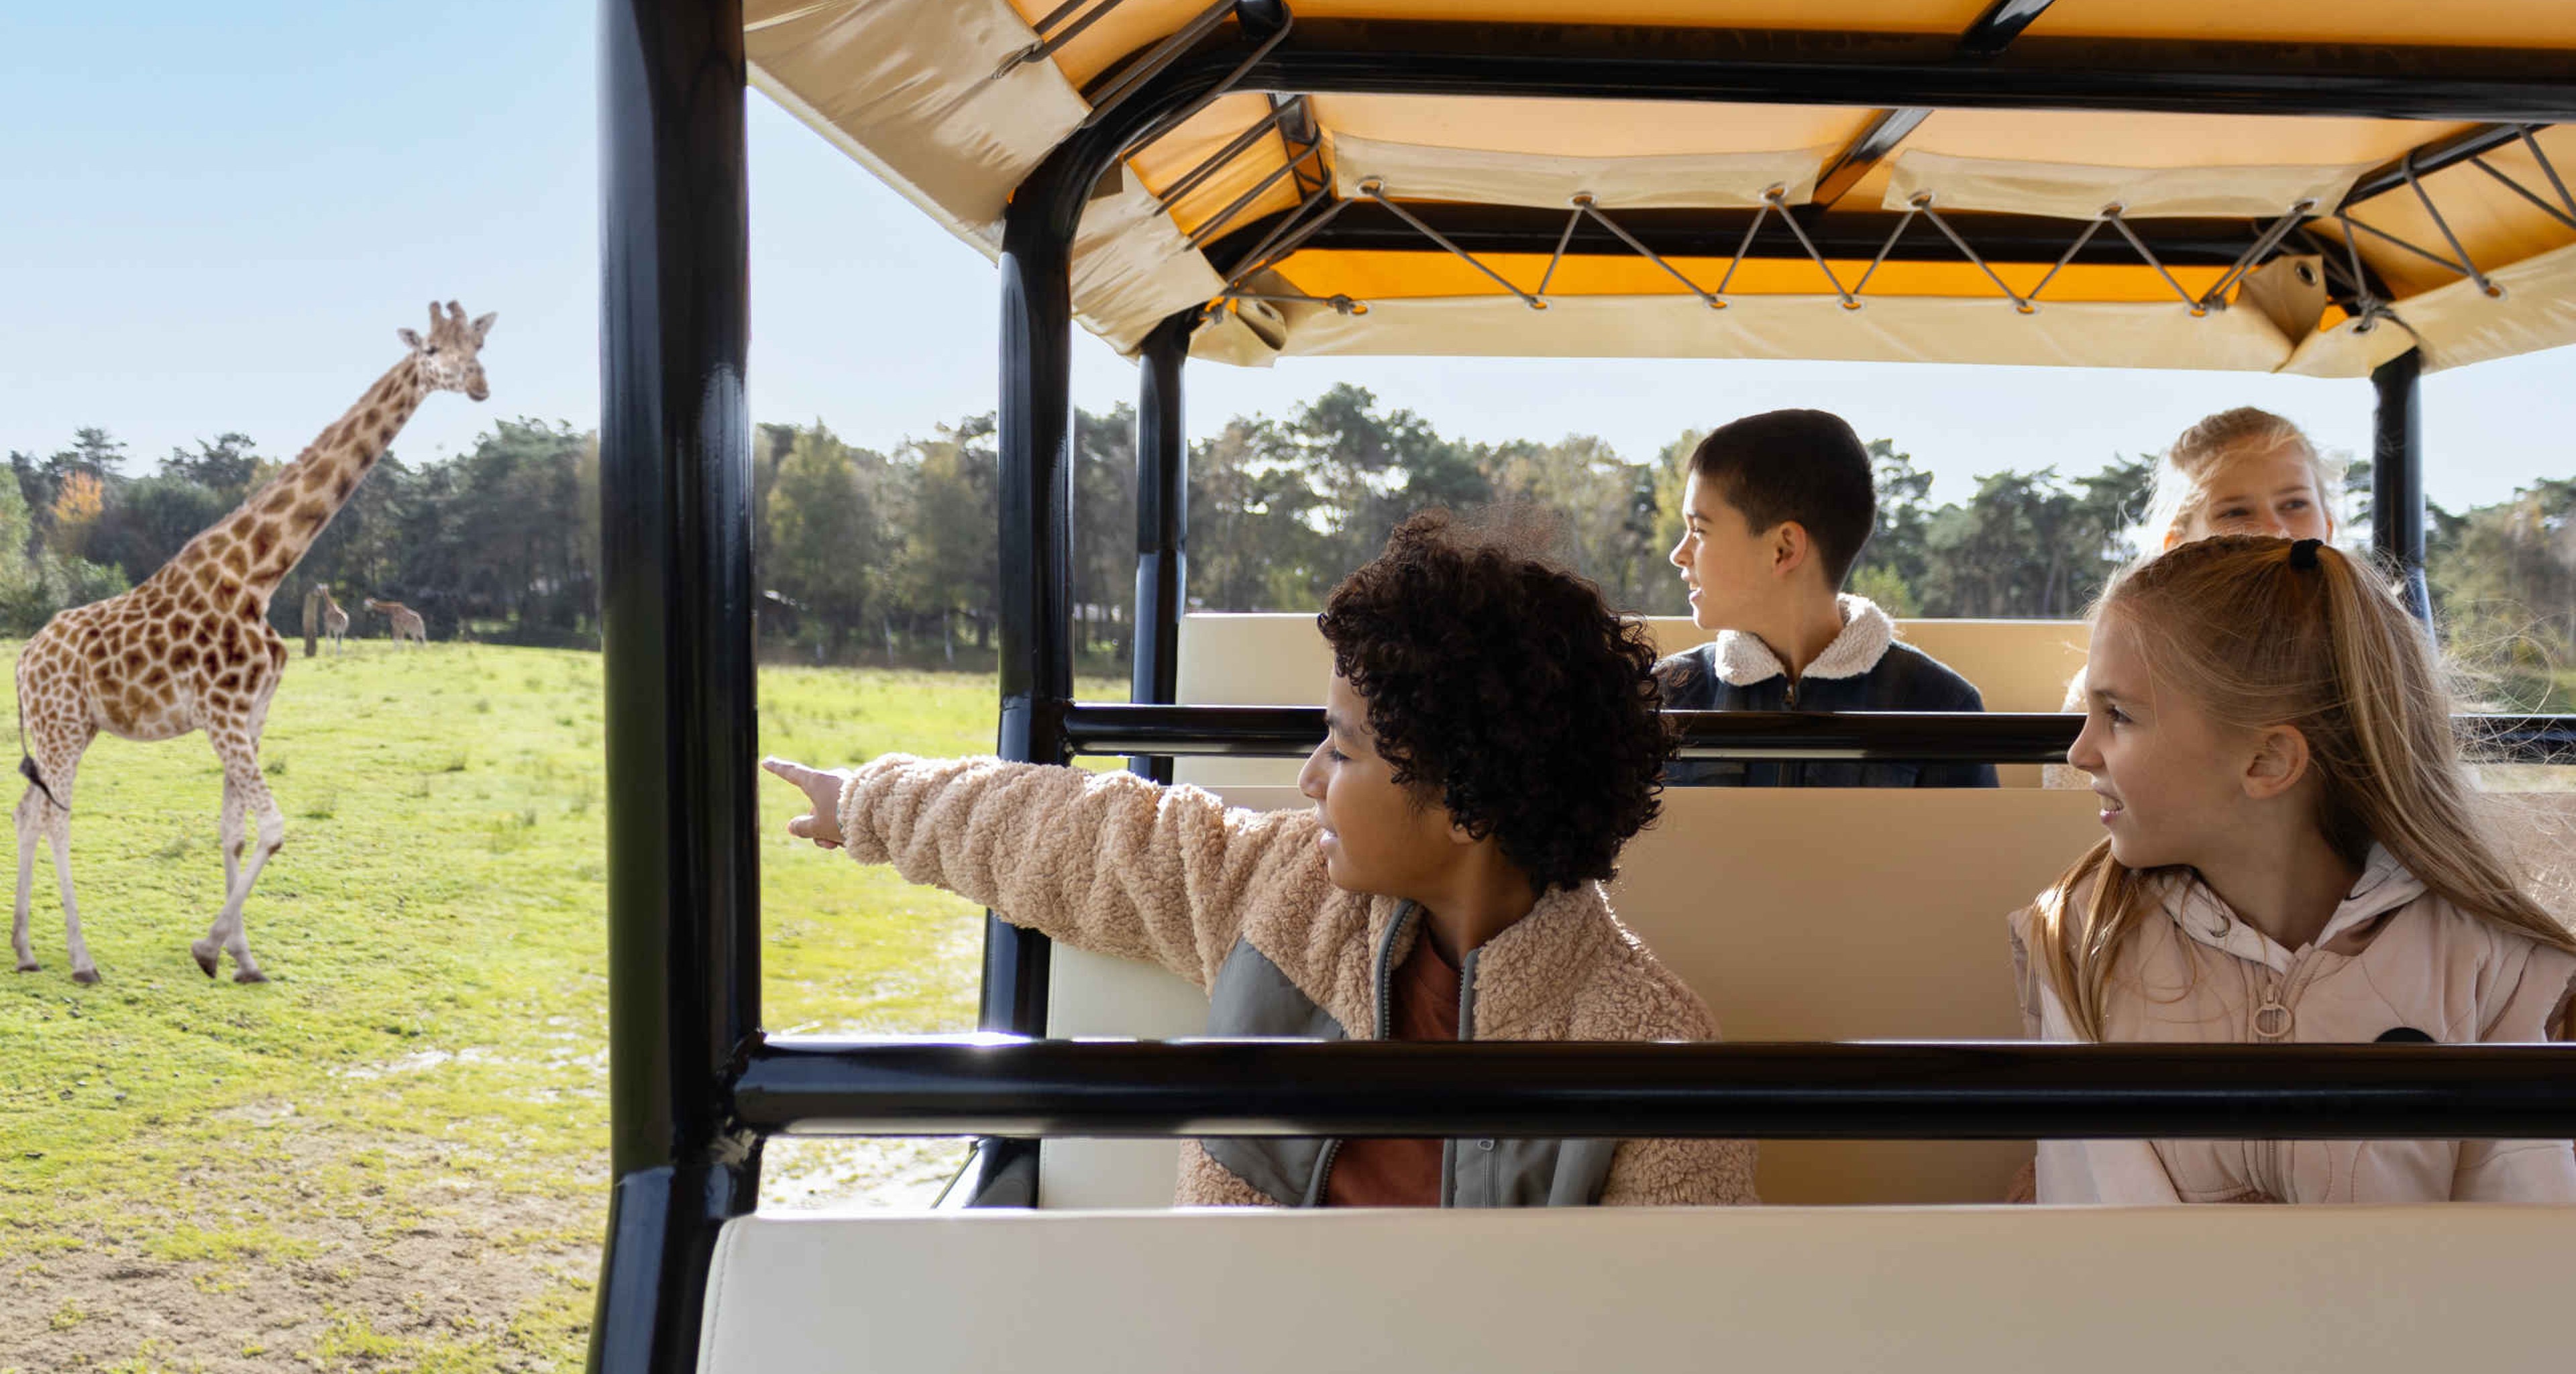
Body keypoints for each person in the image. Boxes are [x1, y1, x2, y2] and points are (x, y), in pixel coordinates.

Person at [766, 511, 1758, 1208]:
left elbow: (1674, 1317)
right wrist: (871, 803)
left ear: (1467, 803)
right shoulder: (1278, 893)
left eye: (1343, 746)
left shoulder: (1649, 1051)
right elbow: (1074, 831)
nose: (1310, 778)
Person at [2010, 535, 2576, 1204]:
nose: (2080, 752)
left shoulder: (2491, 962)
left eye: (2120, 716)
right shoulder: (2083, 938)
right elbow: (2100, 1230)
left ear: (2267, 761)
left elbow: (2521, 1245)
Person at [1656, 409, 1994, 787]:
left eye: (1699, 530)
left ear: (1783, 549)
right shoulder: (1662, 695)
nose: (1679, 553)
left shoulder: (1943, 706)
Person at [2042, 405, 2343, 790]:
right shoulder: (2116, 684)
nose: (2276, 531)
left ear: (2328, 526)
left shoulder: (2367, 659)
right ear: (2178, 548)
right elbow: (2073, 809)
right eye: (2236, 512)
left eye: (2295, 504)